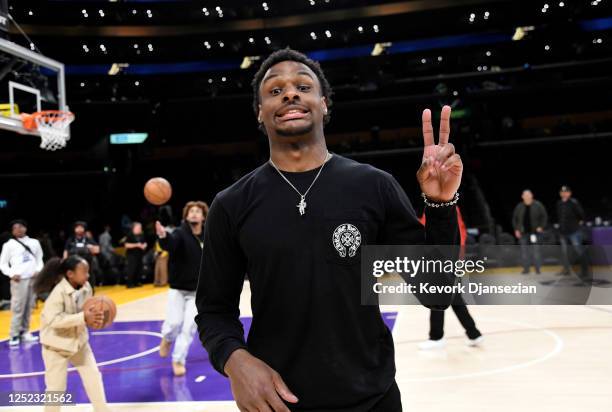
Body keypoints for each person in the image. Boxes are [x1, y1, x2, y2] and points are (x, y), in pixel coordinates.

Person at [195, 49, 461, 412]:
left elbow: (438, 292)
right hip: (278, 401)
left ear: (323, 103)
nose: (290, 94)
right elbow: (213, 309)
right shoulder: (231, 204)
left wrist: (440, 205)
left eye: (303, 86)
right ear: (260, 112)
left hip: (373, 399)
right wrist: (235, 360)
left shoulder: (373, 186)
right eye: (274, 91)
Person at [37, 256, 110, 412]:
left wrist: (95, 319)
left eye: (88, 272)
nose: (88, 275)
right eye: (84, 272)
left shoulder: (86, 287)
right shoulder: (57, 293)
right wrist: (84, 317)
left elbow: (88, 312)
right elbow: (55, 321)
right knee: (56, 389)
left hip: (79, 343)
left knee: (94, 378)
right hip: (56, 346)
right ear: (70, 274)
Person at [155, 201, 208, 376]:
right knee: (174, 324)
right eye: (190, 211)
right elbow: (169, 243)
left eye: (197, 211)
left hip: (197, 292)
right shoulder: (179, 233)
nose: (194, 214)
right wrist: (163, 236)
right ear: (186, 216)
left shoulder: (209, 235)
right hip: (178, 289)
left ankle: (178, 360)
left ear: (203, 216)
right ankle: (167, 338)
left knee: (188, 328)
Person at [418, 207, 483, 350]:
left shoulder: (446, 206)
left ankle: (437, 337)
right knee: (452, 297)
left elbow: (458, 230)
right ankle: (473, 333)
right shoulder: (435, 205)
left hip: (446, 259)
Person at [0, 219, 44, 347]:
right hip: (19, 280)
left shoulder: (34, 242)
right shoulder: (8, 245)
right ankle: (14, 334)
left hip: (33, 278)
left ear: (25, 228)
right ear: (12, 231)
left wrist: (38, 270)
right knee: (18, 307)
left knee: (29, 306)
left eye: (20, 227)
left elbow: (39, 259)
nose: (18, 229)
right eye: (15, 228)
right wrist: (11, 274)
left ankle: (25, 331)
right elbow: (2, 264)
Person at [512, 189, 548, 274]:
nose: (527, 197)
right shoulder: (519, 206)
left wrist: (541, 226)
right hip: (523, 233)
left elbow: (544, 216)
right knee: (524, 252)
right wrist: (516, 229)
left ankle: (537, 269)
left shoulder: (538, 205)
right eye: (525, 195)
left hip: (534, 233)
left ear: (532, 196)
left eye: (528, 195)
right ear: (522, 197)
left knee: (535, 251)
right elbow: (514, 219)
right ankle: (526, 269)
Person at [556, 185, 589, 277]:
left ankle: (585, 271)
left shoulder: (574, 202)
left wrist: (579, 222)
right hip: (563, 232)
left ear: (570, 193)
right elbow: (559, 217)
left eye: (566, 192)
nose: (564, 193)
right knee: (564, 252)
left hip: (574, 231)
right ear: (560, 193)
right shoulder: (559, 203)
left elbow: (581, 214)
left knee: (579, 250)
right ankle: (566, 270)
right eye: (562, 192)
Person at [63, 222, 100, 288]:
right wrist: (65, 261)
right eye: (77, 227)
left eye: (81, 227)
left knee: (89, 278)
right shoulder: (70, 240)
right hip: (74, 264)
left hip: (87, 265)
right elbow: (66, 251)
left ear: (84, 229)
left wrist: (91, 247)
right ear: (74, 229)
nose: (79, 229)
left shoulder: (88, 239)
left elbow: (97, 250)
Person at [124, 222, 147, 288]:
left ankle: (137, 282)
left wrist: (144, 245)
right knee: (132, 269)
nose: (140, 229)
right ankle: (129, 283)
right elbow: (126, 245)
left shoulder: (141, 235)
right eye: (139, 227)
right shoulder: (130, 235)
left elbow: (144, 242)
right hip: (131, 255)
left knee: (139, 268)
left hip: (139, 254)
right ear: (134, 228)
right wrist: (137, 245)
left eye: (140, 227)